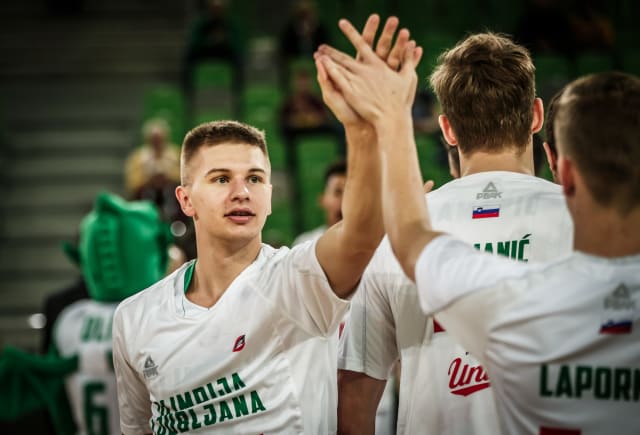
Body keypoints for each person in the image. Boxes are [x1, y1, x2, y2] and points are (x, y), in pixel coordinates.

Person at [322, 19, 640, 434]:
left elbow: (354, 391)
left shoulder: (400, 240)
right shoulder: (587, 220)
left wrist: (390, 118)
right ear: (536, 116)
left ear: (448, 129)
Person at [111, 115, 386, 431]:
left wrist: (363, 128)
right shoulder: (134, 318)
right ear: (186, 200)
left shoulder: (297, 280)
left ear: (268, 197)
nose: (241, 192)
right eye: (221, 179)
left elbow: (361, 234)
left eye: (254, 179)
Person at [293, 159, 346, 246]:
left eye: (351, 194)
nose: (345, 200)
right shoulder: (304, 244)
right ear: (322, 200)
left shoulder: (370, 245)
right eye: (338, 192)